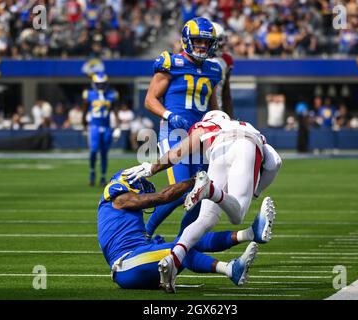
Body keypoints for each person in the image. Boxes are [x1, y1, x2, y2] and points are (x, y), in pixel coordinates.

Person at [124, 110, 281, 293]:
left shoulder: (204, 126)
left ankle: (173, 259)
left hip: (217, 150)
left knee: (205, 219)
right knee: (237, 215)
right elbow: (275, 163)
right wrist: (256, 192)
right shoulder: (245, 126)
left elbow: (178, 152)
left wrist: (152, 168)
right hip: (245, 144)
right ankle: (211, 191)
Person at [99, 170, 273, 292]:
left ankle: (250, 233)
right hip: (126, 265)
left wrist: (194, 189)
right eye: (140, 185)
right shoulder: (119, 198)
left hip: (138, 262)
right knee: (179, 248)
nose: (142, 188)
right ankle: (229, 269)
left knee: (188, 238)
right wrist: (193, 181)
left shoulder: (120, 204)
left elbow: (167, 197)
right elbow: (162, 197)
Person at [143, 17, 222, 238]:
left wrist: (221, 124)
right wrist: (169, 115)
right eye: (198, 41)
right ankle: (145, 233)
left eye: (207, 42)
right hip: (175, 133)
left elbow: (213, 107)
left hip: (200, 137)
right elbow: (150, 100)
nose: (202, 46)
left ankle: (182, 243)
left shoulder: (213, 70)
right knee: (180, 190)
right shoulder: (171, 63)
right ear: (187, 40)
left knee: (200, 194)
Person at [82, 72, 119, 186]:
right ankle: (92, 172)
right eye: (98, 84)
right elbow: (85, 110)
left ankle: (103, 176)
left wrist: (117, 126)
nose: (100, 86)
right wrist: (84, 125)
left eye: (102, 84)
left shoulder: (112, 94)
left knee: (104, 153)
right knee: (93, 151)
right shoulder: (89, 94)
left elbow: (114, 110)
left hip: (107, 127)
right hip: (94, 126)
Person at [208, 22, 234, 117]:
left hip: (217, 114)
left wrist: (230, 118)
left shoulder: (225, 60)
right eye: (219, 40)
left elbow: (226, 94)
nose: (222, 44)